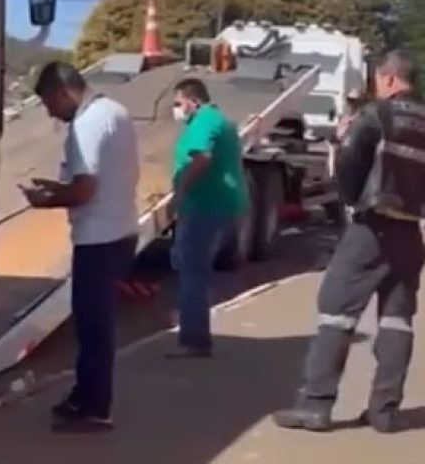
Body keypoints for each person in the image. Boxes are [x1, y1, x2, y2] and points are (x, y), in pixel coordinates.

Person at [273, 49, 425, 433]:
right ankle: (384, 411)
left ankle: (315, 405)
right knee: (397, 319)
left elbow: (350, 164)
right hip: (410, 231)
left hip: (371, 227)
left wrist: (352, 198)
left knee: (336, 311)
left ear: (388, 79)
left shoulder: (377, 114)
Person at [20, 60, 139, 433]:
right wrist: (57, 187)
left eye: (49, 104)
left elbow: (86, 190)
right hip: (121, 231)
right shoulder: (115, 112)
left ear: (63, 92)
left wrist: (46, 200)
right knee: (96, 326)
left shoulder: (86, 124)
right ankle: (85, 394)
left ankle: (94, 407)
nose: (51, 113)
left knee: (92, 327)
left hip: (97, 239)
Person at [168, 78, 250, 358]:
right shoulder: (218, 119)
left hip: (206, 206)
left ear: (193, 100)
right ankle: (196, 337)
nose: (177, 110)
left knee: (192, 271)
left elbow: (201, 158)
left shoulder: (204, 120)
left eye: (179, 103)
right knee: (195, 269)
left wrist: (180, 191)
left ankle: (194, 340)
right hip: (218, 204)